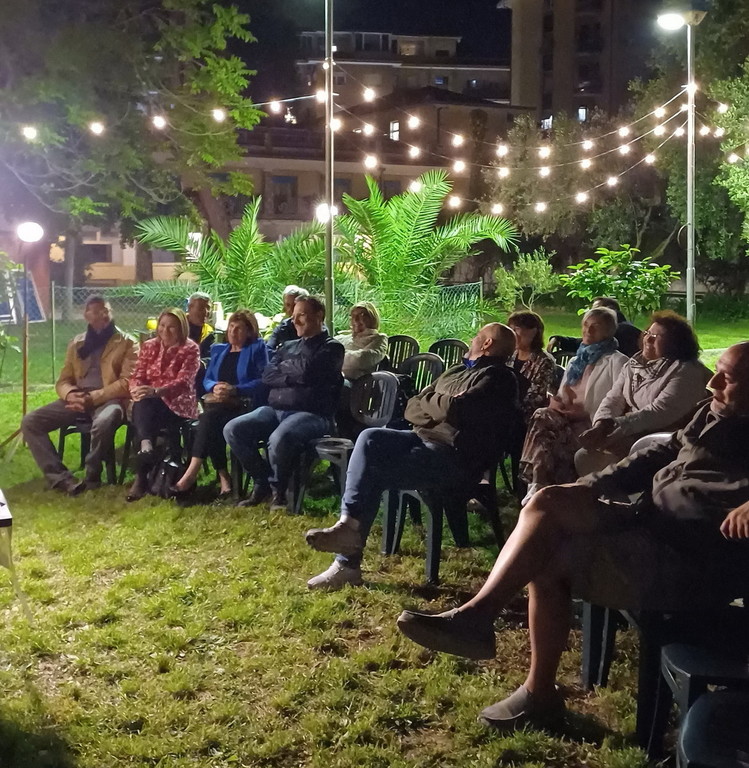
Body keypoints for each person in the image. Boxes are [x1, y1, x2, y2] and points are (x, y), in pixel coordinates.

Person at [396, 342, 749, 733]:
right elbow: (661, 452)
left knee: (548, 549)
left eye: (728, 378)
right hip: (647, 519)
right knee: (549, 505)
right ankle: (493, 633)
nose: (713, 383)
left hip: (689, 554)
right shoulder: (713, 409)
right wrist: (591, 484)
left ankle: (521, 672)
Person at [304, 323, 522, 591]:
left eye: (478, 336)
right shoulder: (457, 371)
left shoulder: (499, 378)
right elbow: (412, 406)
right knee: (370, 437)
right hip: (421, 438)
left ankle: (347, 563)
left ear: (487, 344)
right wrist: (438, 404)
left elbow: (456, 410)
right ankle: (348, 528)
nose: (472, 338)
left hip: (454, 457)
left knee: (372, 472)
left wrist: (434, 402)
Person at [224, 295, 344, 511]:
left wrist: (285, 370)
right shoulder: (288, 346)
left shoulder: (332, 348)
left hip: (313, 414)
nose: (294, 321)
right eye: (293, 316)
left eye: (302, 315)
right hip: (276, 410)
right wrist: (293, 374)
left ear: (319, 316)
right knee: (233, 429)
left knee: (279, 438)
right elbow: (267, 375)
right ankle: (262, 481)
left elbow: (309, 373)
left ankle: (279, 494)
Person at [21, 296, 137, 494]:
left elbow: (127, 383)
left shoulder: (126, 342)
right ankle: (60, 478)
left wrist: (93, 398)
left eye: (106, 311)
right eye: (97, 311)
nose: (103, 315)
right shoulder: (77, 343)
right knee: (30, 422)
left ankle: (92, 476)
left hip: (109, 399)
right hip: (77, 398)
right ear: (86, 315)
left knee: (103, 422)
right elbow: (63, 380)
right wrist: (70, 395)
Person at [575, 310, 712, 476]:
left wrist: (612, 426)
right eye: (647, 333)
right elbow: (613, 398)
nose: (648, 339)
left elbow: (660, 412)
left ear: (675, 343)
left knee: (588, 457)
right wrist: (601, 423)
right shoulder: (635, 364)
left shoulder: (686, 371)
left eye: (656, 337)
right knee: (585, 454)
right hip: (631, 430)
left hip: (663, 440)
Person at [519, 307, 627, 499]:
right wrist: (557, 402)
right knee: (543, 417)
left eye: (595, 326)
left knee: (542, 422)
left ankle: (536, 486)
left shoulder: (617, 362)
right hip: (565, 422)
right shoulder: (576, 361)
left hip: (591, 427)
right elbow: (562, 396)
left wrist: (583, 413)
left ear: (609, 331)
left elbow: (619, 403)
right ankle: (540, 485)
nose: (588, 330)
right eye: (585, 325)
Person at [172, 310, 269, 497]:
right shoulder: (219, 350)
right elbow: (207, 379)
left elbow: (263, 380)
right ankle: (223, 478)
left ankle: (195, 474)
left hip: (244, 405)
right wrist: (215, 387)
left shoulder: (257, 348)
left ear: (249, 331)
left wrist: (235, 389)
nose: (233, 331)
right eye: (231, 327)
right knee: (212, 421)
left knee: (208, 419)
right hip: (218, 405)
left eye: (239, 328)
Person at [126, 308, 200, 501]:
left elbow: (184, 381)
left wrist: (156, 391)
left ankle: (141, 474)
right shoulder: (149, 346)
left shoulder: (190, 349)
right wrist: (136, 389)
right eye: (162, 325)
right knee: (143, 403)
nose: (165, 330)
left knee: (145, 405)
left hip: (177, 404)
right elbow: (137, 375)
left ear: (181, 328)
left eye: (171, 327)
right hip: (149, 403)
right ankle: (146, 447)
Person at [548, 297, 642, 358]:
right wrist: (560, 340)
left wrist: (560, 340)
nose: (591, 313)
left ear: (609, 311)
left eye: (596, 310)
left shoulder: (620, 332)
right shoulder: (622, 328)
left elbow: (586, 343)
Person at [506, 311, 556, 425]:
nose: (512, 334)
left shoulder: (544, 361)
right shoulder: (509, 354)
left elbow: (536, 398)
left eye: (516, 329)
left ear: (534, 331)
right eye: (510, 329)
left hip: (527, 417)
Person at [334, 302, 388, 380]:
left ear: (372, 318)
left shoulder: (379, 339)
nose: (355, 319)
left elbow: (362, 359)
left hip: (355, 382)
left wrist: (334, 356)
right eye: (352, 316)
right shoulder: (342, 337)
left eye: (362, 315)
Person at [266, 285, 309, 352]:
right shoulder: (283, 326)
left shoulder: (313, 328)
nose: (290, 309)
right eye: (288, 305)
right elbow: (268, 348)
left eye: (294, 305)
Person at [186, 292, 215, 357]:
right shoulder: (178, 326)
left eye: (208, 308)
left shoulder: (209, 331)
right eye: (201, 308)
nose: (206, 312)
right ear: (190, 308)